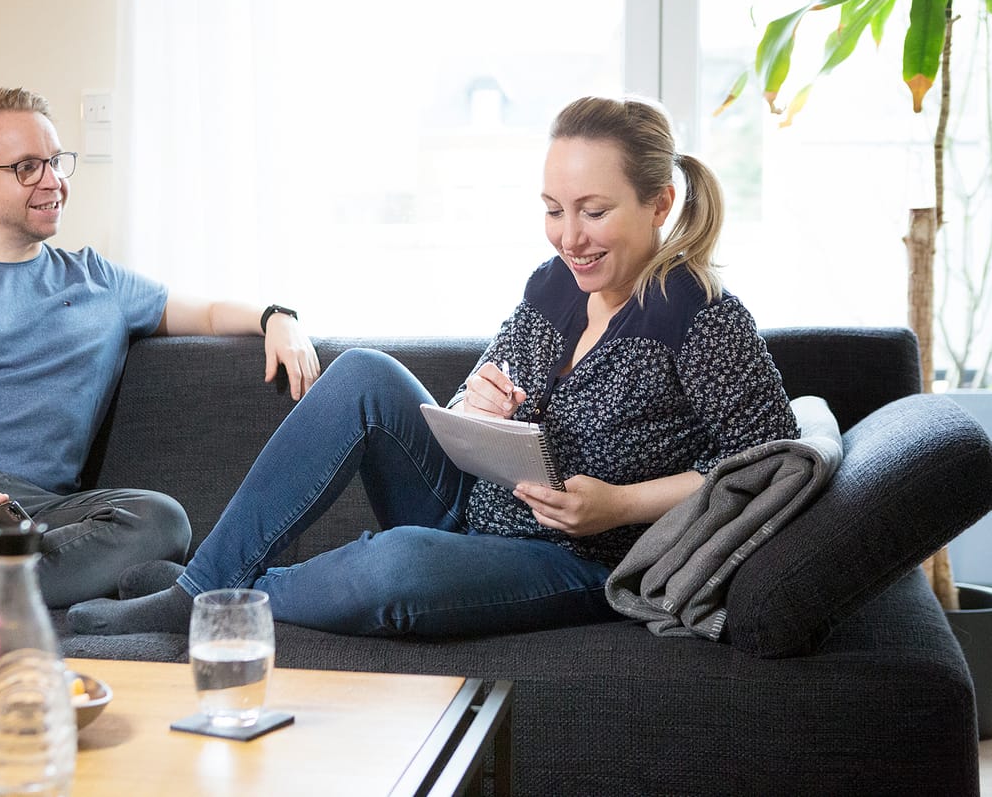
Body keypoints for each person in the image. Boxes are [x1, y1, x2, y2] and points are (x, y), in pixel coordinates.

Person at [68, 95, 798, 639]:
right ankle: (201, 586)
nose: (568, 236)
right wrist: (473, 406)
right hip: (470, 508)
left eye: (593, 211)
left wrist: (619, 504)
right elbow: (463, 401)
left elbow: (768, 463)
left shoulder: (702, 317)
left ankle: (209, 598)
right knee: (362, 373)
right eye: (552, 209)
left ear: (660, 203)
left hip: (576, 557)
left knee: (396, 566)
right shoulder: (553, 286)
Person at [0, 87, 321, 635]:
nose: (52, 180)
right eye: (26, 167)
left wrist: (278, 317)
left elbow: (205, 313)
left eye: (56, 161)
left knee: (159, 520)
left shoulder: (97, 281)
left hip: (32, 511)